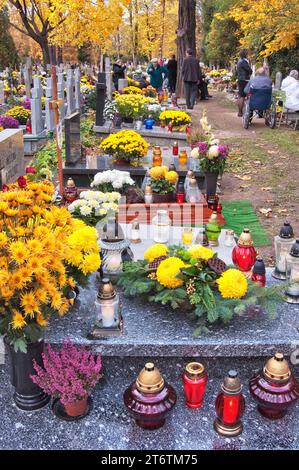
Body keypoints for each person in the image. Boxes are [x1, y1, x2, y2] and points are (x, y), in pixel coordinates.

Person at [236, 50, 252, 117]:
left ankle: (240, 111)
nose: (248, 55)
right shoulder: (244, 62)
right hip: (244, 80)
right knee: (243, 96)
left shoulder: (239, 61)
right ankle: (240, 112)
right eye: (247, 54)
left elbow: (236, 72)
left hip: (240, 79)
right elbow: (249, 70)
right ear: (245, 54)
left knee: (240, 95)